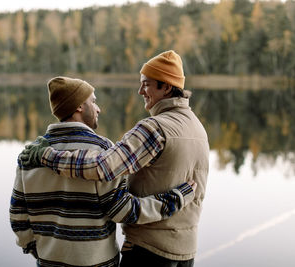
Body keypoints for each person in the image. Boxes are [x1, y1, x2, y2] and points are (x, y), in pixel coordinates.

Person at [20, 50, 209, 267]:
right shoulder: (197, 127)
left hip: (149, 250)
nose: (140, 91)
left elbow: (104, 167)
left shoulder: (154, 128)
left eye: (146, 84)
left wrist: (47, 156)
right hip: (186, 252)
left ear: (166, 86)